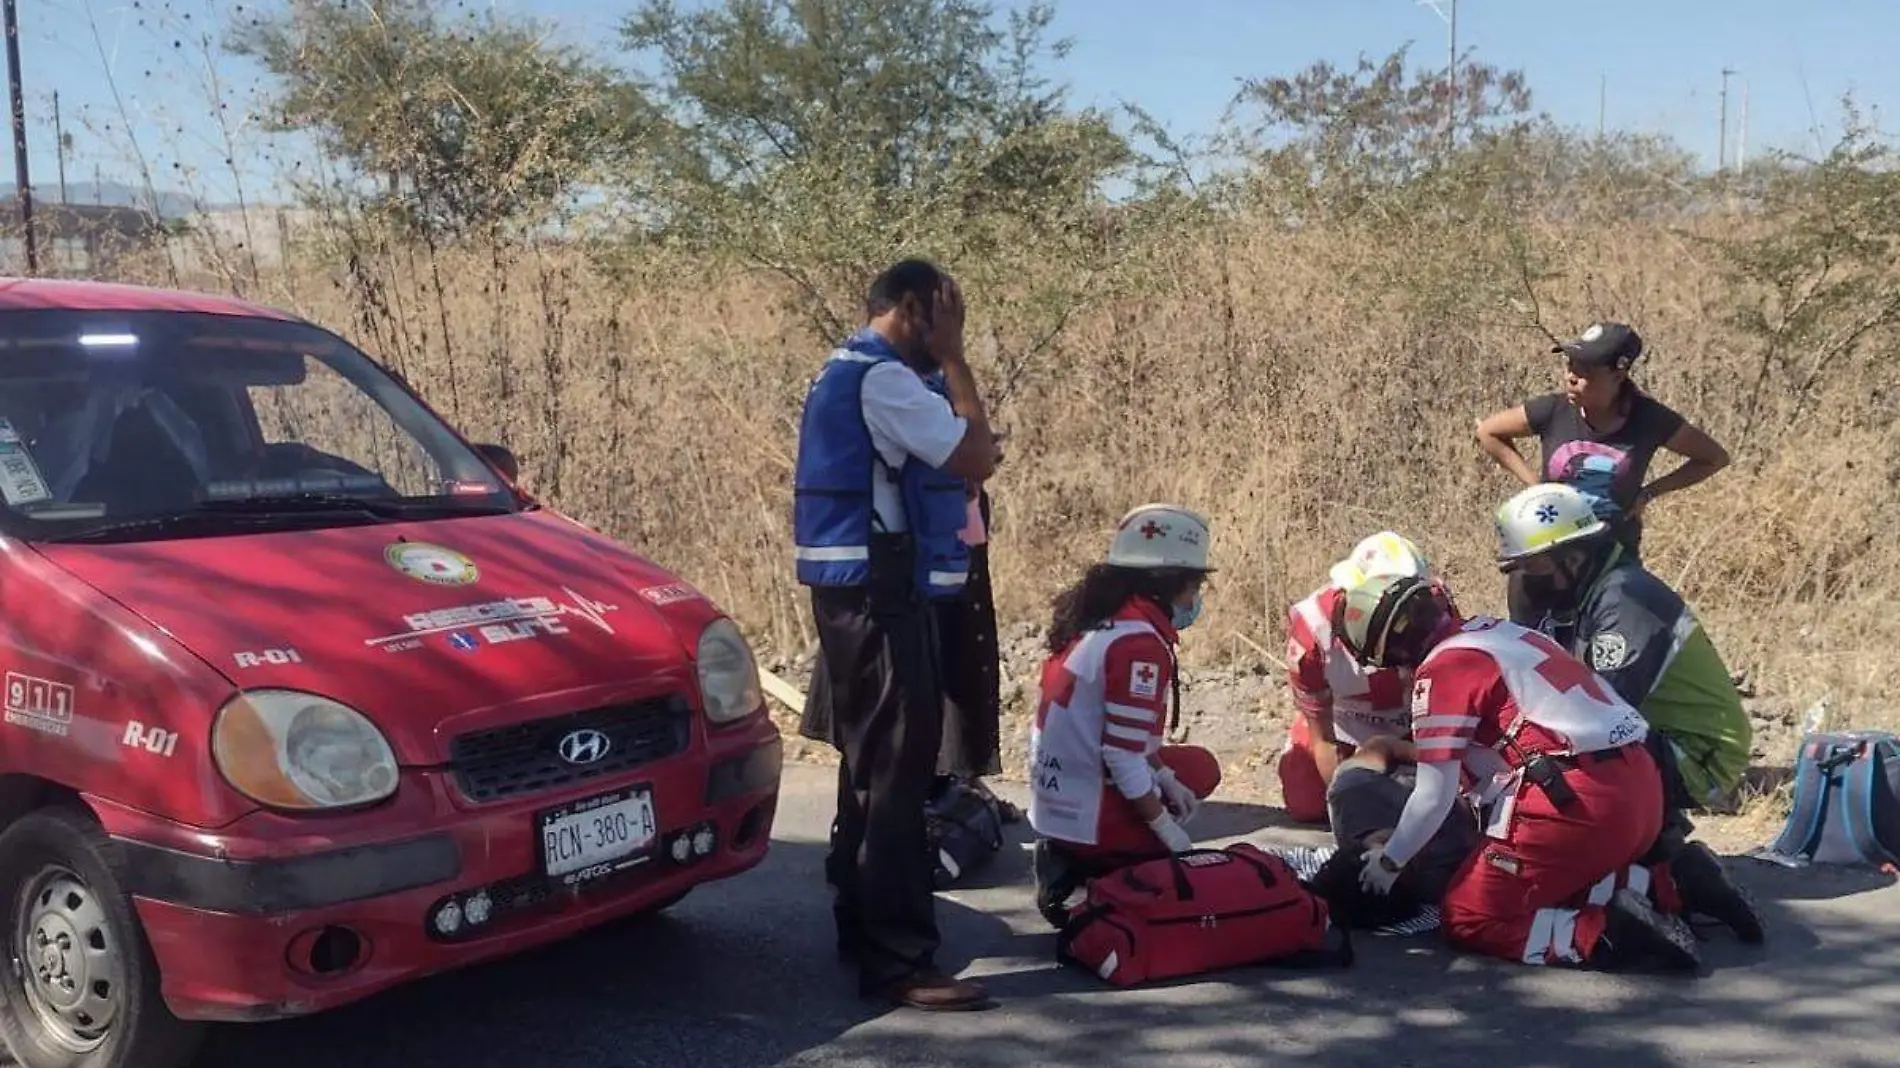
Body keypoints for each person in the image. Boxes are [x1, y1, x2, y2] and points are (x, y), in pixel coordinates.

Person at [792, 258, 998, 1011]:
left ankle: (862, 923)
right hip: (880, 596)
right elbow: (974, 457)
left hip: (859, 591)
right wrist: (955, 359)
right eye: (949, 316)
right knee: (899, 776)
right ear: (917, 310)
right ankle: (899, 961)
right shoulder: (885, 377)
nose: (953, 331)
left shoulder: (849, 369)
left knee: (870, 765)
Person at [1330, 570, 1706, 972]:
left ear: (1390, 653)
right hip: (1640, 782)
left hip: (1577, 801)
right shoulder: (1505, 633)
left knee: (1470, 915)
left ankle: (1604, 933)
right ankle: (1674, 884)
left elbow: (1432, 796)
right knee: (1535, 882)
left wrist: (1391, 862)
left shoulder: (1444, 670)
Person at [1493, 482, 1764, 943]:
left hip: (1697, 754)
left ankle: (1653, 864)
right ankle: (1668, 867)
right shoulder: (1589, 590)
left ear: (1573, 557)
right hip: (1660, 734)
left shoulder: (1625, 599)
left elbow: (1601, 715)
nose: (1524, 580)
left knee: (1565, 762)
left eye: (1533, 566)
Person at [1027, 503, 1222, 928]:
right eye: (1193, 586)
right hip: (1085, 809)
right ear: (1169, 583)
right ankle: (1091, 864)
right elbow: (1120, 754)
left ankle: (1078, 851)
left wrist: (1165, 777)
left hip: (1059, 797)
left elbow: (1132, 740)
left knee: (1195, 770)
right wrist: (1168, 832)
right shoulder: (1139, 645)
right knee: (1175, 860)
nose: (1195, 599)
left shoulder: (1101, 620)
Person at [1474, 321, 1730, 622]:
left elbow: (1713, 458)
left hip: (1611, 562)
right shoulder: (1553, 410)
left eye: (1586, 372)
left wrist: (1649, 493)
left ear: (1618, 375)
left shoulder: (1648, 419)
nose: (1571, 378)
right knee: (1533, 651)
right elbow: (1488, 432)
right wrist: (1537, 487)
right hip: (1547, 559)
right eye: (1570, 366)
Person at [1278, 531, 1438, 824]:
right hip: (1341, 725)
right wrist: (1347, 808)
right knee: (1311, 805)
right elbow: (1323, 735)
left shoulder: (1435, 610)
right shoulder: (1311, 628)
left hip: (1409, 723)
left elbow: (1445, 710)